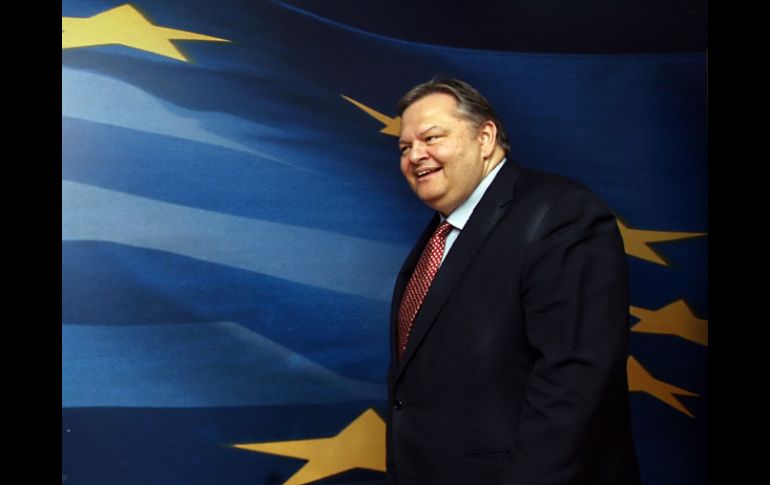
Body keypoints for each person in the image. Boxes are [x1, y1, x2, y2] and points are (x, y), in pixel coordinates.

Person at [386, 78, 640, 485]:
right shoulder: (441, 235)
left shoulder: (560, 214)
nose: (415, 155)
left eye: (431, 138)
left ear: (485, 138)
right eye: (404, 147)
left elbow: (575, 384)